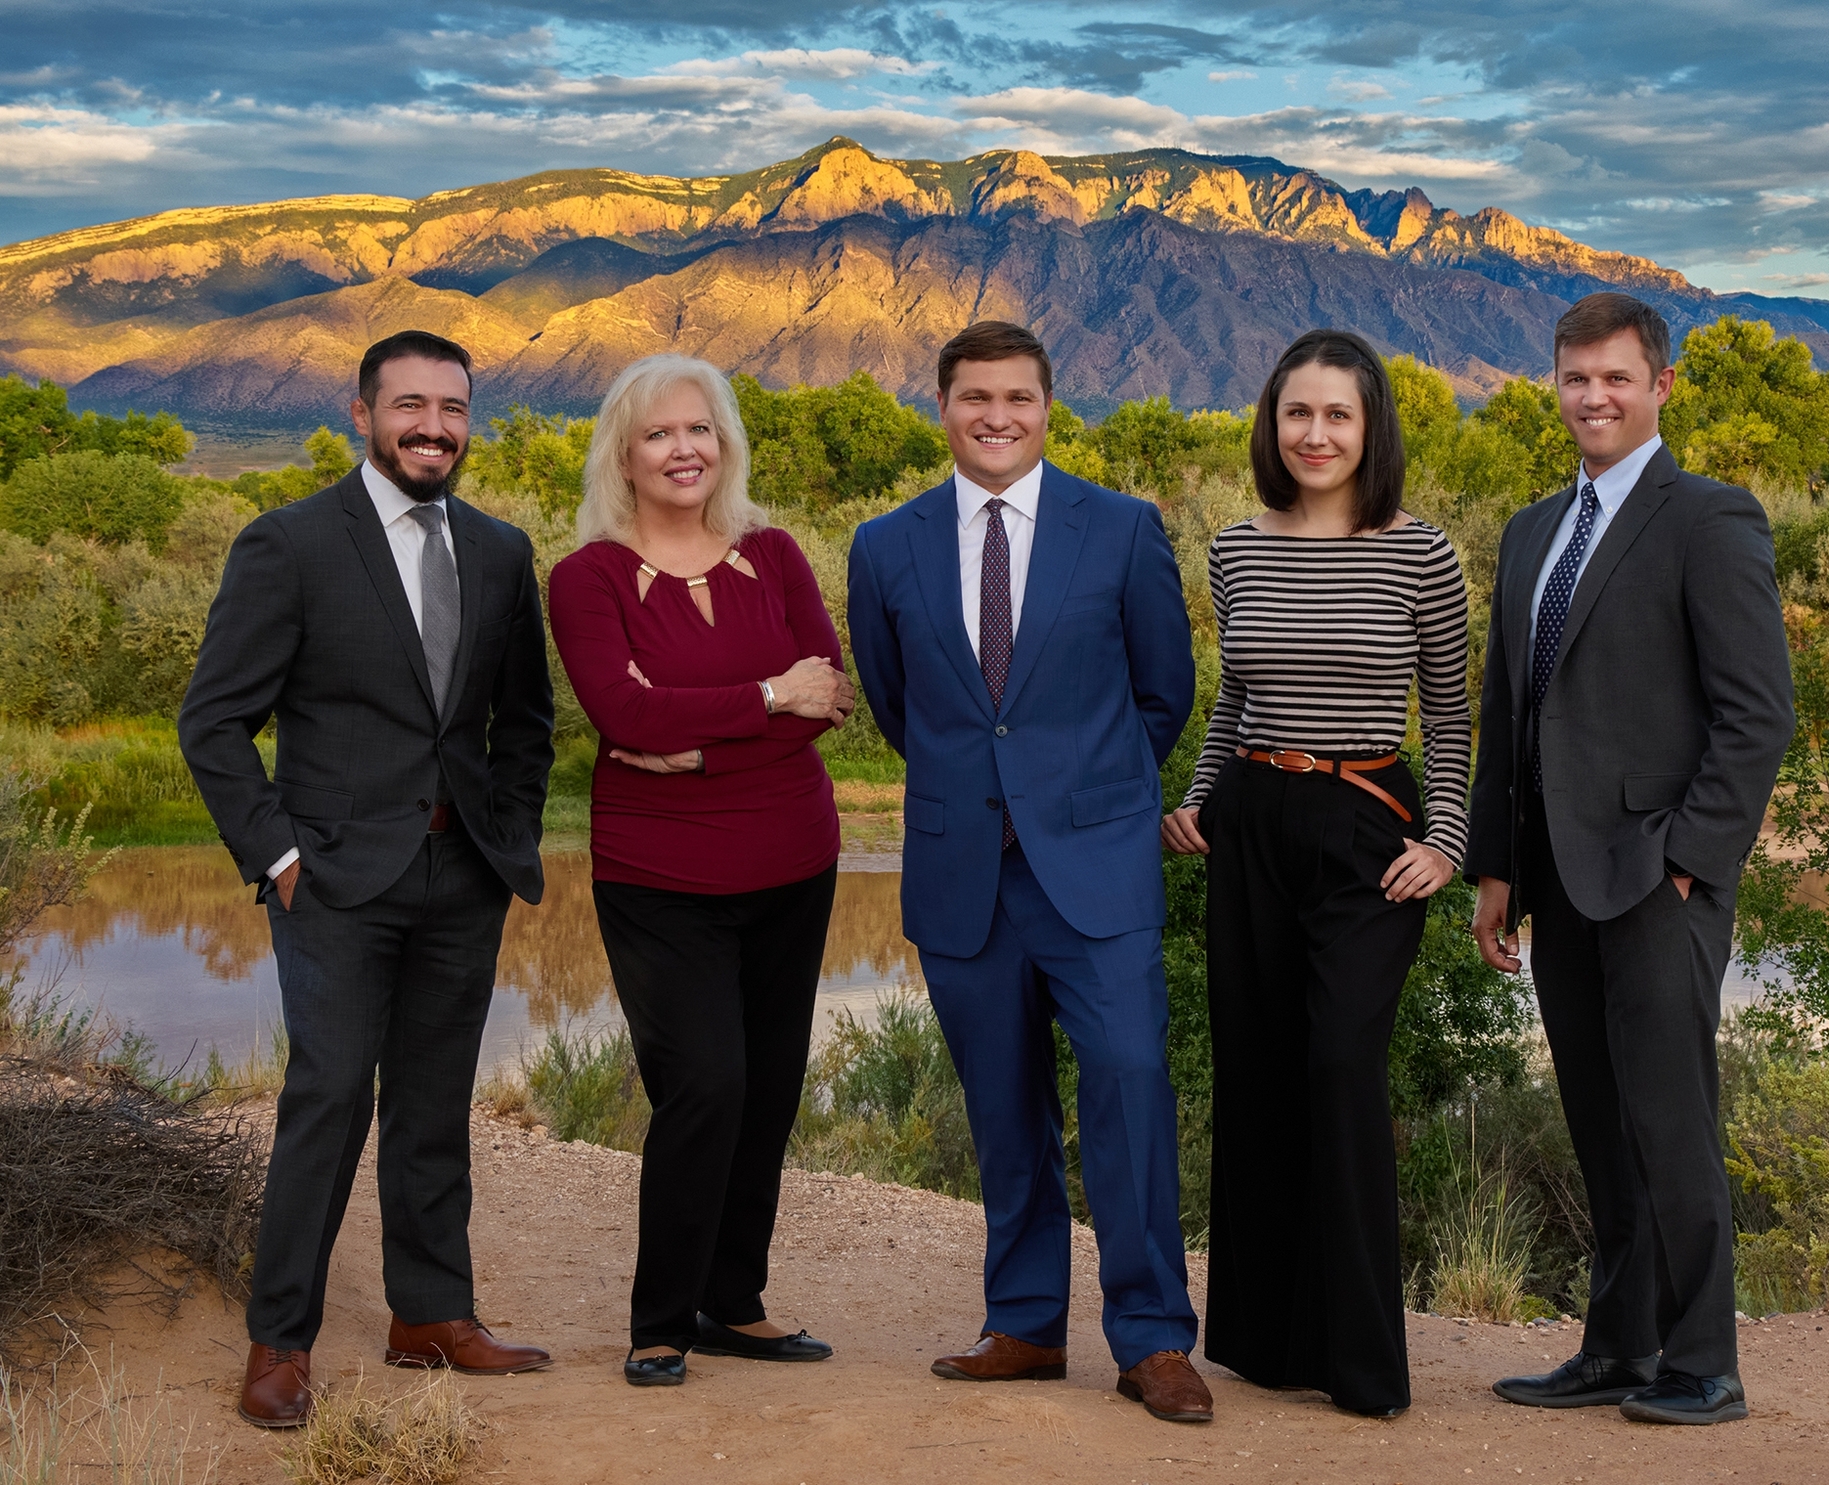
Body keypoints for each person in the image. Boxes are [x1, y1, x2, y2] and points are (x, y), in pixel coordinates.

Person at [179, 330, 558, 1428]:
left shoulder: (500, 552)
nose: (432, 427)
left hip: (461, 876)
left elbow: (523, 724)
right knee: (330, 1097)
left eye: (451, 407)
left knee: (435, 1105)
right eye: (410, 406)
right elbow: (213, 722)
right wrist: (279, 857)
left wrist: (506, 838)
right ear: (362, 412)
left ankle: (429, 1316)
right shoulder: (289, 544)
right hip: (333, 881)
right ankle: (279, 1341)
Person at [847, 320, 1209, 1424]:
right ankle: (1024, 1325)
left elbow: (1164, 693)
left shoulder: (1122, 530)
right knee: (1004, 1112)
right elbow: (899, 706)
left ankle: (1151, 1340)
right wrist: (988, 800)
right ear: (942, 408)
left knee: (1130, 1089)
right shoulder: (884, 545)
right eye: (972, 399)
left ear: (1050, 406)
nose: (994, 417)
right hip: (965, 874)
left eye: (1016, 397)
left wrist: (1081, 796)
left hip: (1094, 870)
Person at [1467, 293, 1794, 1425]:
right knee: (1598, 1122)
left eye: (1614, 378)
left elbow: (1756, 715)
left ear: (1658, 387)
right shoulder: (1526, 532)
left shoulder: (1707, 517)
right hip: (1554, 878)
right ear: (1552, 387)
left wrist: (1692, 862)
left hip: (1660, 877)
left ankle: (1703, 1362)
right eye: (1574, 378)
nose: (1593, 397)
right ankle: (1615, 1346)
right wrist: (1496, 868)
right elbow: (1506, 715)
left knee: (1669, 1119)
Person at [1161, 329, 1470, 1417]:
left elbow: (1452, 712)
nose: (1316, 433)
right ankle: (1262, 1341)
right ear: (1271, 423)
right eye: (1297, 413)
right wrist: (1197, 797)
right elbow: (1233, 697)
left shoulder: (1420, 553)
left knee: (1340, 1068)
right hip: (1249, 820)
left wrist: (1446, 842)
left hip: (1363, 829)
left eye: (1337, 414)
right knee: (1255, 1075)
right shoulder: (1235, 547)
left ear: (1370, 426)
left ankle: (1357, 1362)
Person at [546, 354, 853, 1388]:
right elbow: (620, 717)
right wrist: (770, 697)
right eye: (657, 435)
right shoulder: (585, 577)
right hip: (658, 876)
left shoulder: (774, 555)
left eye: (699, 430)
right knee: (704, 1083)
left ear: (724, 444)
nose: (682, 450)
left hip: (793, 862)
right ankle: (661, 1316)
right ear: (622, 457)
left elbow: (833, 700)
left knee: (766, 1089)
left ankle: (734, 1302)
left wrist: (703, 739)